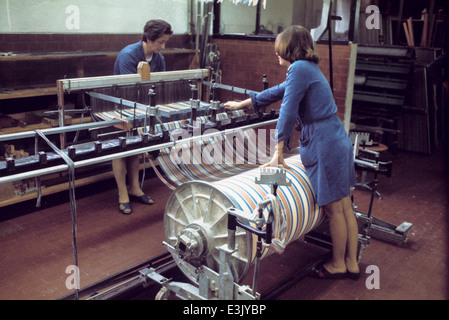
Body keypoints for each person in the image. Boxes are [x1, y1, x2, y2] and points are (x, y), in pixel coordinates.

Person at [224, 25, 360, 280]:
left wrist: (278, 151)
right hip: (335, 137)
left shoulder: (298, 68)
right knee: (344, 205)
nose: (276, 53)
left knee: (333, 210)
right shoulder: (307, 68)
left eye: (279, 48)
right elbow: (278, 91)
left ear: (290, 48)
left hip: (323, 142)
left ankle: (338, 264)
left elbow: (287, 110)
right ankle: (352, 263)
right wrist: (243, 103)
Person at [113, 19, 173, 215]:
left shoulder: (158, 59)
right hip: (122, 107)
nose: (163, 47)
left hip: (143, 107)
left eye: (165, 42)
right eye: (160, 42)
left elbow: (160, 85)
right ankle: (123, 194)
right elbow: (129, 89)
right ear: (148, 38)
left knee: (136, 148)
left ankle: (135, 188)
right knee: (120, 150)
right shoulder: (128, 56)